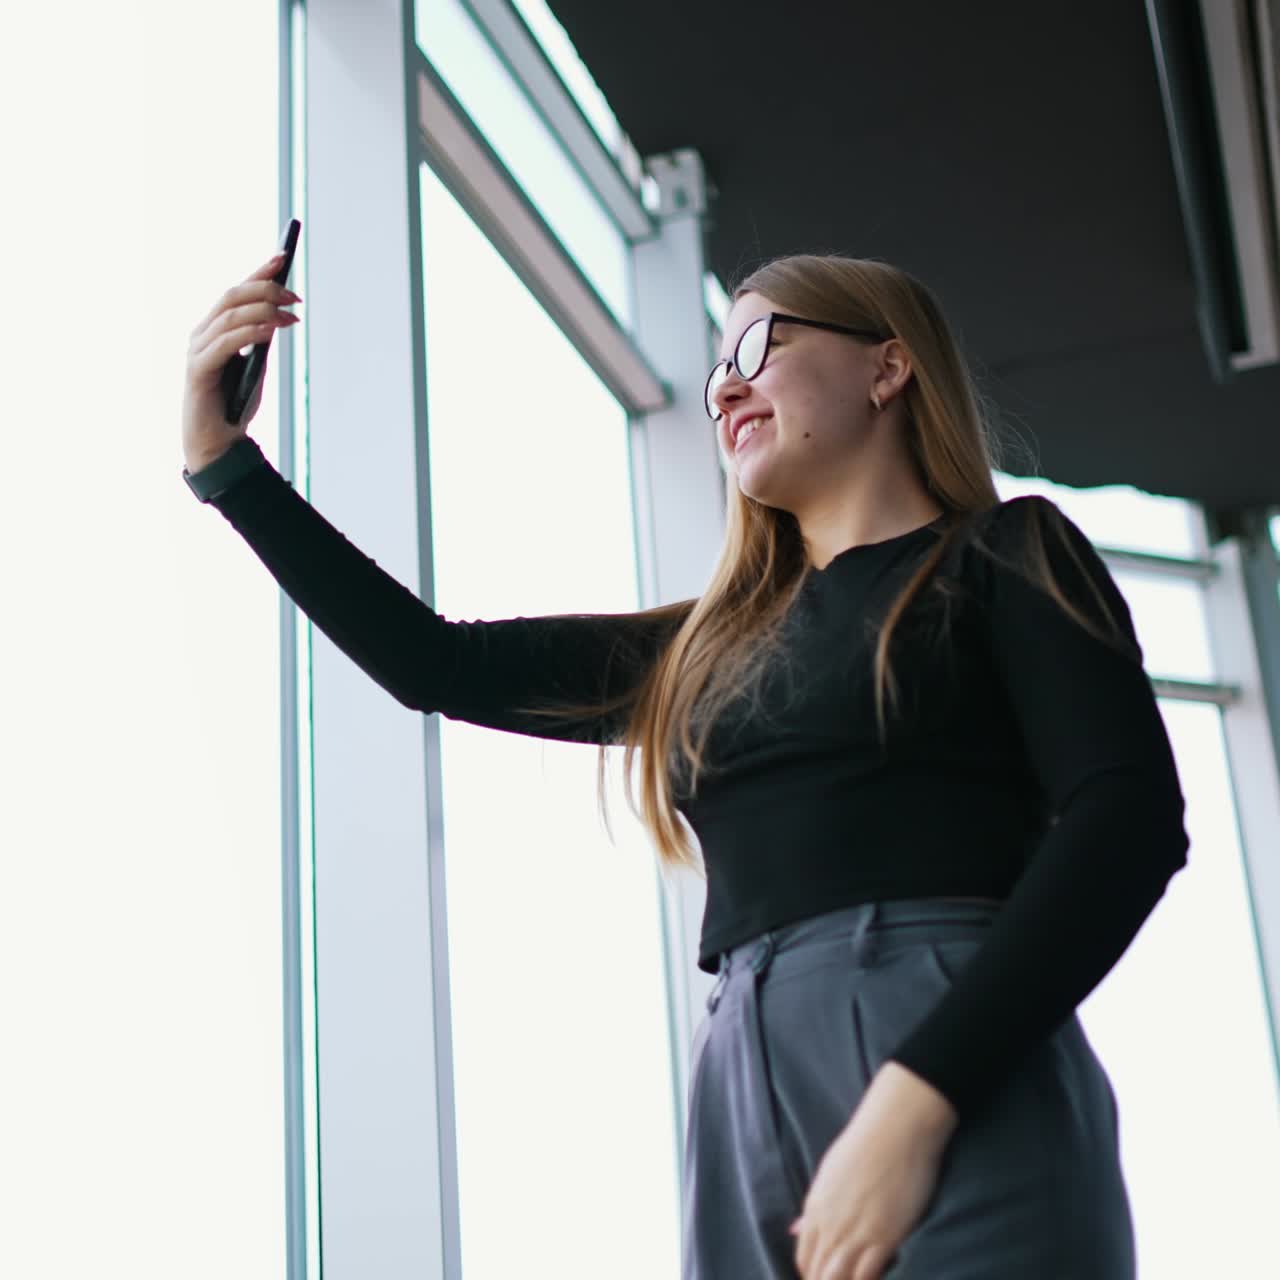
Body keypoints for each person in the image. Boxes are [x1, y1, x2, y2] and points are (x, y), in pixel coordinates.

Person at [181, 251, 1188, 1279]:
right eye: (714, 368)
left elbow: (1127, 817)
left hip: (953, 1043)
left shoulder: (1005, 555)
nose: (723, 385)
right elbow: (434, 661)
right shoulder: (710, 645)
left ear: (885, 369)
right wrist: (226, 467)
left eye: (760, 343)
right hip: (742, 1076)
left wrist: (915, 1093)